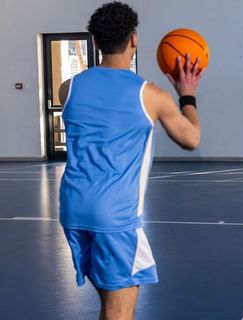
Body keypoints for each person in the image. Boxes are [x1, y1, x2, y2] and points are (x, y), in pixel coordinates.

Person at [58, 2, 205, 319]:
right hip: (114, 216)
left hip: (73, 209)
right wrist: (187, 92)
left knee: (109, 301)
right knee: (120, 309)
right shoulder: (150, 95)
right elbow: (191, 138)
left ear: (95, 42)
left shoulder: (68, 88)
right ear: (134, 40)